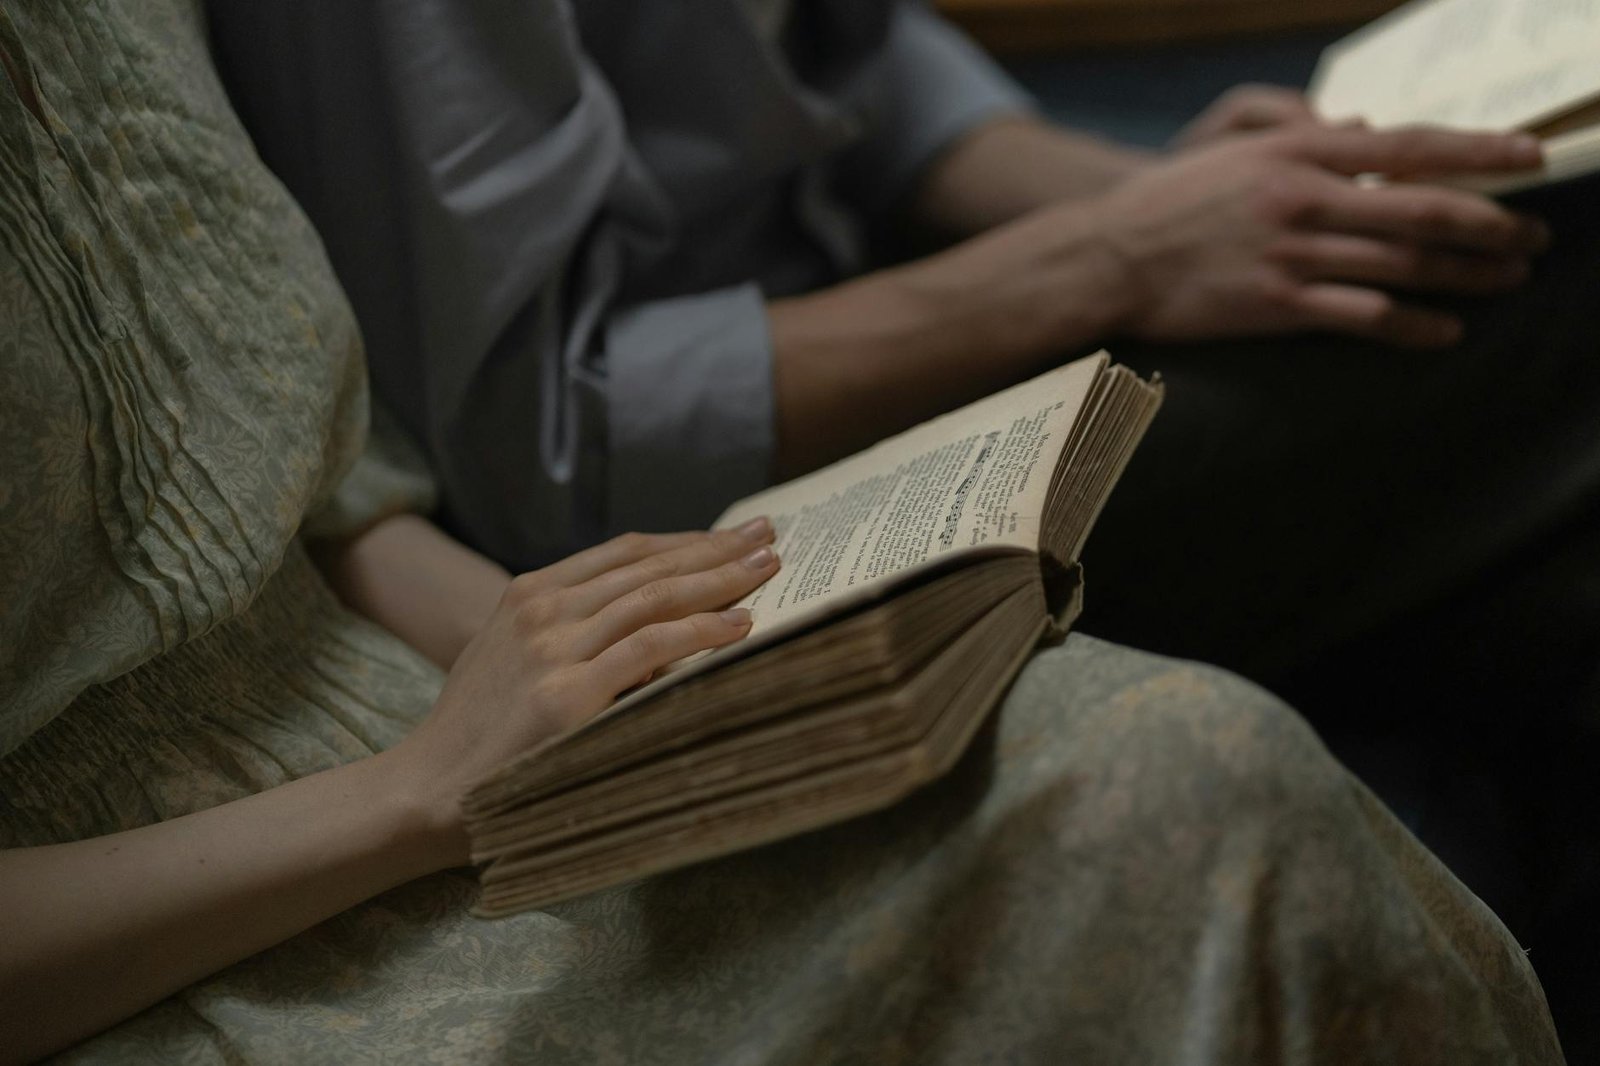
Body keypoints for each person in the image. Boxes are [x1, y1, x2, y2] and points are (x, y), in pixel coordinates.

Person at [0, 3, 1571, 1062]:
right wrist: (423, 786)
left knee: (1233, 734)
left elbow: (322, 470)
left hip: (454, 658)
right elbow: (548, 439)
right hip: (274, 869)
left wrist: (1141, 197)